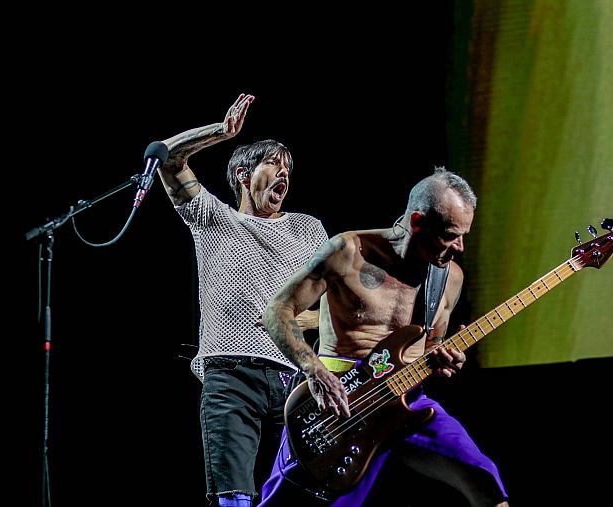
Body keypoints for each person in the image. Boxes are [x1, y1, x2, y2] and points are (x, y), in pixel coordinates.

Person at [258, 167, 509, 506]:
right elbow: (277, 310)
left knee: (485, 481)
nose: (459, 247)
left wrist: (444, 360)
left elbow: (430, 347)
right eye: (450, 235)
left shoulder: (450, 278)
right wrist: (313, 370)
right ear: (417, 222)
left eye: (463, 235)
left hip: (405, 402)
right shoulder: (348, 251)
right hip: (338, 402)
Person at [156, 93, 329, 507]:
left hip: (294, 381)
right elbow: (166, 157)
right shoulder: (213, 217)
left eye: (288, 169)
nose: (284, 173)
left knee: (307, 490)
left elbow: (337, 305)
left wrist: (286, 321)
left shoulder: (307, 229)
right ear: (243, 175)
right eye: (273, 164)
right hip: (230, 377)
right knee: (233, 497)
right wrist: (220, 132)